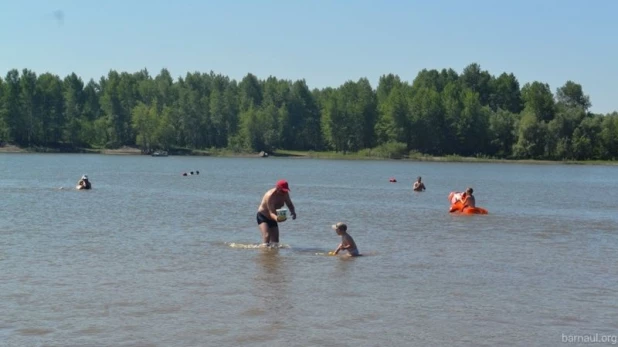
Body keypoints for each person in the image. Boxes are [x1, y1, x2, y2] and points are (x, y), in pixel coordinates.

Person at [256, 179, 297, 246]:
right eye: (282, 191)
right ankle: (264, 253)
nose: (284, 193)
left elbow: (289, 204)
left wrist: (293, 212)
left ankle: (273, 255)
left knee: (275, 242)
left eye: (285, 191)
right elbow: (271, 213)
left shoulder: (285, 194)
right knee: (267, 235)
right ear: (278, 188)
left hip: (273, 218)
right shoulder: (270, 196)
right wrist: (278, 219)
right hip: (263, 216)